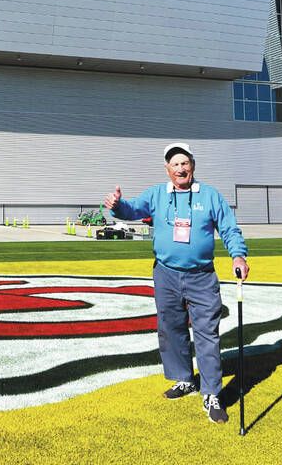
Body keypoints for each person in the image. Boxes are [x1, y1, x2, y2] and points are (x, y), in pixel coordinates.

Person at [103, 142, 249, 424]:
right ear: (167, 169)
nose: (180, 168)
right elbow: (132, 210)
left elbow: (229, 228)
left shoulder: (210, 195)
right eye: (175, 164)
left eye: (185, 163)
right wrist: (118, 205)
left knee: (207, 333)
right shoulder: (157, 194)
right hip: (166, 274)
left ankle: (211, 394)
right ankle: (184, 379)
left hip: (202, 276)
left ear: (192, 165)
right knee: (171, 329)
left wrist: (238, 256)